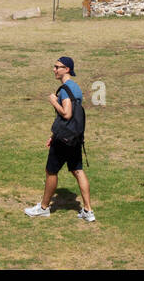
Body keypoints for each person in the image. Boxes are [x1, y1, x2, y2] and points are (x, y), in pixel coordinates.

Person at [25, 56, 95, 221]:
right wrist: (53, 135)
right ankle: (88, 210)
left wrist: (53, 101)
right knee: (77, 170)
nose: (54, 69)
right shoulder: (76, 88)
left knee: (51, 171)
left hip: (63, 140)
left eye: (58, 67)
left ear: (67, 69)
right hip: (75, 137)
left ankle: (43, 208)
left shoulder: (65, 89)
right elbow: (71, 119)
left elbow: (66, 113)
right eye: (54, 66)